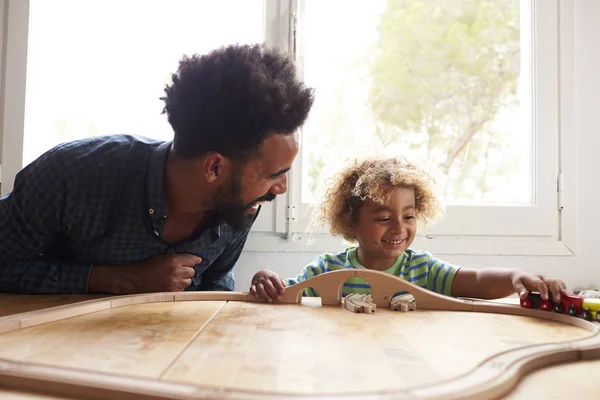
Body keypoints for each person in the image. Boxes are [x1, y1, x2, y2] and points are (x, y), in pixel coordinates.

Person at [0, 44, 314, 295]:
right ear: (214, 168)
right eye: (273, 175)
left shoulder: (240, 205)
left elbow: (216, 280)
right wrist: (116, 279)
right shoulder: (70, 176)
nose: (281, 188)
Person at [249, 156, 567, 303]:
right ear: (351, 222)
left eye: (409, 216)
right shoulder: (328, 270)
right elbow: (283, 293)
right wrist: (264, 278)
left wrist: (515, 277)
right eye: (383, 218)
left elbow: (479, 281)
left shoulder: (423, 269)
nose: (399, 228)